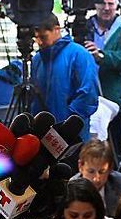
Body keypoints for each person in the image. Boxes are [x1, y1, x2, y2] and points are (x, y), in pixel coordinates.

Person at [83, 0, 121, 166]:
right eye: (102, 3)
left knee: (114, 148)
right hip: (89, 96)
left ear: (117, 4)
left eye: (111, 4)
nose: (106, 8)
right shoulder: (84, 26)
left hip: (117, 97)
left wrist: (102, 56)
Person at [30, 13, 99, 143]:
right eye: (36, 38)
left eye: (43, 37)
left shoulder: (79, 54)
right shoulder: (37, 59)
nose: (39, 42)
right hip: (43, 133)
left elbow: (88, 95)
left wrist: (69, 124)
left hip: (73, 133)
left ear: (57, 29)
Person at [73, 139, 121, 217]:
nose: (96, 178)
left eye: (102, 172)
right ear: (80, 166)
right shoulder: (71, 189)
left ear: (110, 169)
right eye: (91, 171)